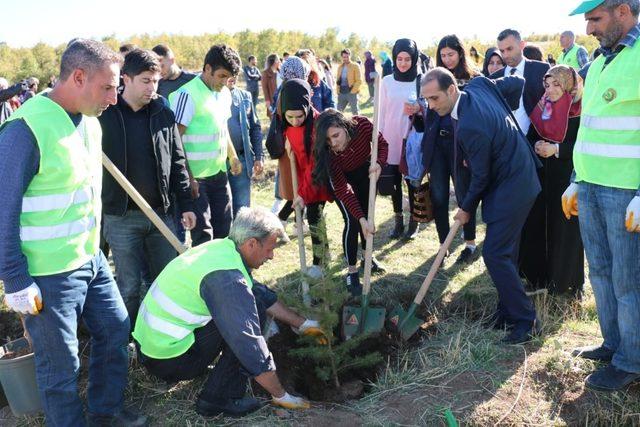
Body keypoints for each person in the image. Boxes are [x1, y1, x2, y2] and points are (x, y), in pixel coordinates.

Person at [0, 39, 147, 426]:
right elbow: (2, 208)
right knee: (60, 366)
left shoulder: (91, 121)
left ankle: (105, 411)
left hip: (89, 259)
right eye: (108, 87)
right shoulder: (25, 129)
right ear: (78, 77)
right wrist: (14, 277)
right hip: (47, 273)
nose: (114, 98)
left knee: (115, 329)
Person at [132, 207, 324, 417]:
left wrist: (303, 324)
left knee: (253, 302)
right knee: (250, 317)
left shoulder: (222, 249)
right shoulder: (225, 279)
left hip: (152, 347)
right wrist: (281, 395)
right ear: (251, 243)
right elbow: (247, 343)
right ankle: (218, 399)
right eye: (269, 249)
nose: (272, 256)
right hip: (167, 360)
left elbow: (257, 291)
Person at [421, 67, 542, 344]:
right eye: (426, 99)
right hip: (519, 175)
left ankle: (526, 320)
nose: (430, 105)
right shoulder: (479, 85)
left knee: (495, 254)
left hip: (513, 186)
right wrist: (500, 120)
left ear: (452, 90)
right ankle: (507, 312)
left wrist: (465, 208)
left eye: (435, 98)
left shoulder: (471, 125)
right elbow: (516, 82)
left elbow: (481, 176)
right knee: (505, 252)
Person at [564, 0, 640, 392]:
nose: (589, 28)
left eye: (595, 18)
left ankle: (631, 361)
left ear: (623, 11)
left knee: (629, 283)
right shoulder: (599, 62)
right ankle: (613, 345)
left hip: (626, 192)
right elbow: (591, 127)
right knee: (602, 274)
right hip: (592, 187)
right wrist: (577, 178)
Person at [98, 48, 196, 324]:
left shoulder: (162, 112)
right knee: (128, 286)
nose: (152, 88)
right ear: (125, 79)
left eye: (155, 81)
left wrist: (186, 204)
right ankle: (125, 339)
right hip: (121, 217)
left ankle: (162, 330)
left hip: (161, 214)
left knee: (165, 279)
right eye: (145, 81)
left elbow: (177, 160)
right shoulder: (105, 114)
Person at [169, 44, 243, 245]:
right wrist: (188, 178)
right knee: (204, 236)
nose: (225, 82)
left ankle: (223, 275)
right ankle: (206, 276)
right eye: (221, 76)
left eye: (228, 78)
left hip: (219, 174)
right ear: (207, 68)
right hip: (196, 180)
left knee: (225, 231)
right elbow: (174, 139)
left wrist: (233, 156)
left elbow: (222, 127)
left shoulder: (225, 93)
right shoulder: (187, 94)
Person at [312, 109, 388, 295]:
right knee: (354, 221)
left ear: (344, 126)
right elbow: (343, 190)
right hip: (342, 183)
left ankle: (367, 257)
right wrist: (360, 218)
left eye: (336, 135)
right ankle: (352, 270)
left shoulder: (361, 125)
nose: (334, 142)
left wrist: (378, 163)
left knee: (368, 217)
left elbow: (382, 144)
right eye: (328, 140)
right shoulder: (329, 154)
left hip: (366, 172)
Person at [422, 34, 481, 264]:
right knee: (438, 195)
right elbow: (429, 115)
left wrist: (470, 152)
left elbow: (476, 117)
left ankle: (469, 243)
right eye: (443, 55)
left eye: (451, 54)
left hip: (461, 145)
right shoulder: (434, 78)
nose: (447, 59)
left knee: (465, 194)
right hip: (438, 145)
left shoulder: (473, 79)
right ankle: (443, 243)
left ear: (460, 53)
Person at [527, 65, 585, 296]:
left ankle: (568, 283)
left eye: (556, 84)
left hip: (568, 177)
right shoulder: (544, 107)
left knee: (566, 229)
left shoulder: (580, 110)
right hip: (543, 176)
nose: (549, 90)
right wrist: (537, 145)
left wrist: (557, 149)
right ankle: (542, 279)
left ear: (568, 84)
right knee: (543, 226)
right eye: (547, 85)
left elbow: (583, 145)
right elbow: (532, 134)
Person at [267, 79, 332, 269]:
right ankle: (324, 257)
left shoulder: (317, 126)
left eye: (299, 117)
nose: (295, 121)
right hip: (303, 176)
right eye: (290, 117)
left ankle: (319, 264)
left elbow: (315, 164)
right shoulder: (285, 123)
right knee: (313, 217)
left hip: (318, 176)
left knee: (314, 218)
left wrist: (302, 194)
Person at [378, 38, 423, 240]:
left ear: (414, 59)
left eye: (407, 59)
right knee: (393, 182)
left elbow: (429, 108)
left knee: (412, 181)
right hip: (390, 139)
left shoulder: (421, 80)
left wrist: (419, 109)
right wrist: (377, 139)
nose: (403, 63)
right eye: (399, 59)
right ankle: (398, 220)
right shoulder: (386, 81)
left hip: (411, 139)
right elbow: (380, 112)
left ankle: (414, 222)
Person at [490, 29, 550, 136]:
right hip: (504, 141)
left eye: (509, 49)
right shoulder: (494, 78)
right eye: (502, 51)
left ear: (522, 45)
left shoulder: (542, 69)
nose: (506, 55)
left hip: (536, 141)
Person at [226, 75, 264, 215]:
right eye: (229, 72)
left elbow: (255, 128)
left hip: (241, 160)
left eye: (235, 73)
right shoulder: (210, 97)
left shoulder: (244, 96)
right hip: (217, 162)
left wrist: (258, 156)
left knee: (242, 211)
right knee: (222, 212)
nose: (232, 76)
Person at [336, 48, 362, 115]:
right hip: (341, 93)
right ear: (342, 57)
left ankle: (359, 125)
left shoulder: (355, 66)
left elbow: (359, 81)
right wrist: (338, 92)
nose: (345, 58)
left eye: (347, 57)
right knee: (338, 113)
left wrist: (353, 92)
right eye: (344, 57)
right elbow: (338, 80)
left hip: (351, 92)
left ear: (350, 56)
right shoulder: (340, 67)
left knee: (355, 112)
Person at [262, 53, 280, 120]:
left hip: (281, 99)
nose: (279, 61)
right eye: (278, 60)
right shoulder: (266, 73)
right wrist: (267, 102)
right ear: (274, 61)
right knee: (274, 121)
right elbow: (265, 89)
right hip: (272, 101)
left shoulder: (280, 72)